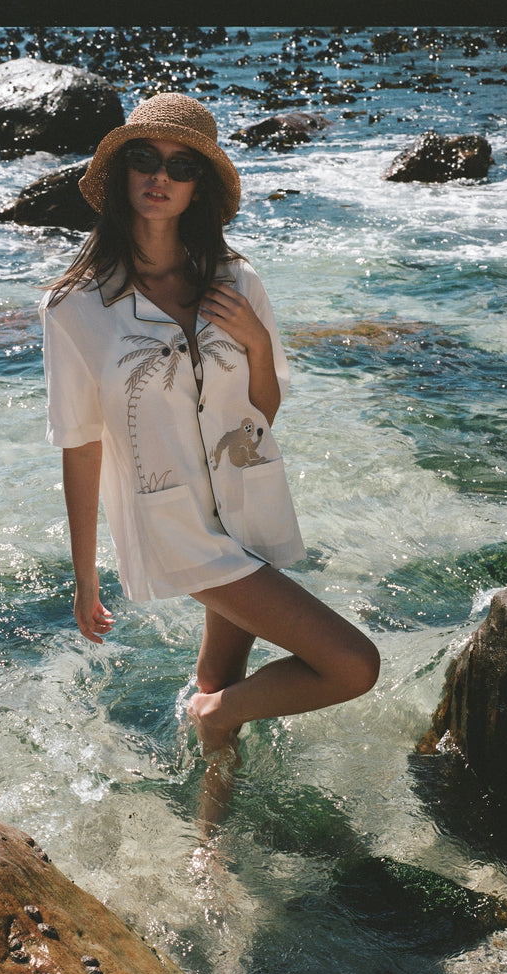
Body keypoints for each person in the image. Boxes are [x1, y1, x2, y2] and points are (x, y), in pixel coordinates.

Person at [40, 92, 379, 778]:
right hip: (175, 528)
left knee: (223, 671)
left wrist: (254, 343)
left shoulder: (238, 280)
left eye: (180, 165)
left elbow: (263, 411)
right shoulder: (74, 305)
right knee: (353, 664)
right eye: (144, 159)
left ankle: (212, 840)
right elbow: (79, 444)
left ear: (200, 187)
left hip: (248, 501)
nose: (159, 176)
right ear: (121, 175)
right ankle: (214, 715)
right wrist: (85, 578)